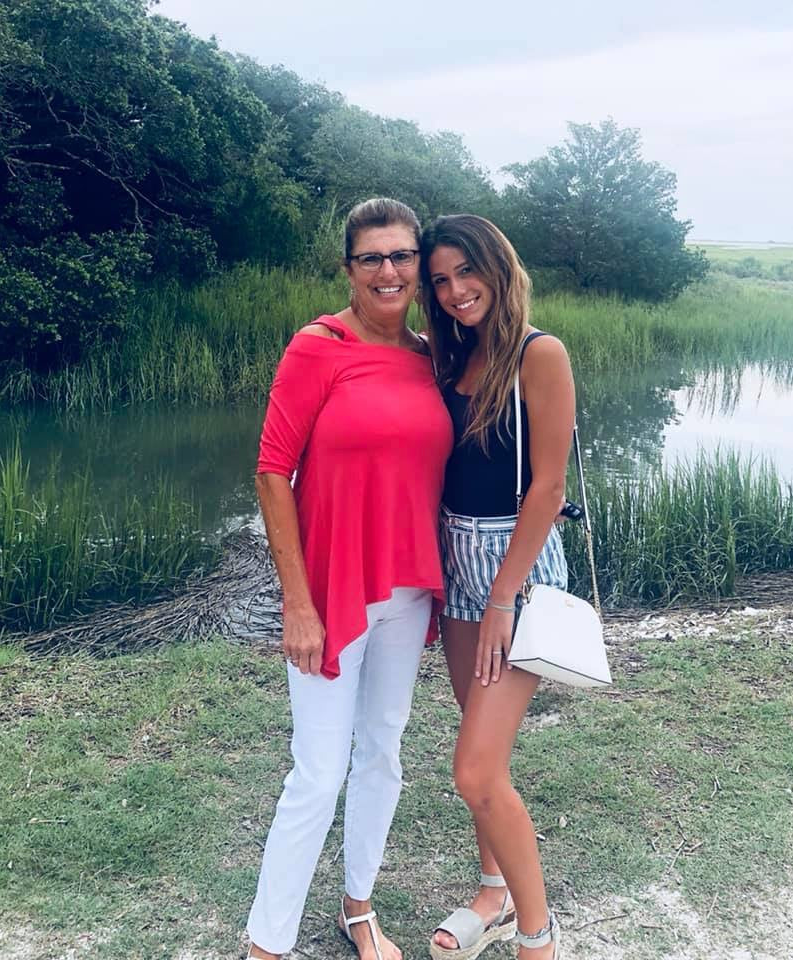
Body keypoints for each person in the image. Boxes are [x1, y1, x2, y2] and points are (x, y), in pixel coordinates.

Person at [245, 198, 453, 960]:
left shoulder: (435, 356)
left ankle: (357, 909)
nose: (390, 271)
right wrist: (295, 604)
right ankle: (266, 944)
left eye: (403, 256)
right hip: (332, 592)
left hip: (409, 588)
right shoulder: (318, 347)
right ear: (350, 269)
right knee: (318, 769)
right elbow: (272, 472)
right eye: (373, 258)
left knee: (385, 750)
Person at [419, 214, 575, 960]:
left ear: (497, 266)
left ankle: (538, 938)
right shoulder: (451, 357)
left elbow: (547, 489)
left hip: (516, 567)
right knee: (478, 745)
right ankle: (493, 893)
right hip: (456, 558)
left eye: (465, 272)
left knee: (476, 770)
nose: (454, 291)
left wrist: (503, 598)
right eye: (441, 280)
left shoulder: (539, 355)